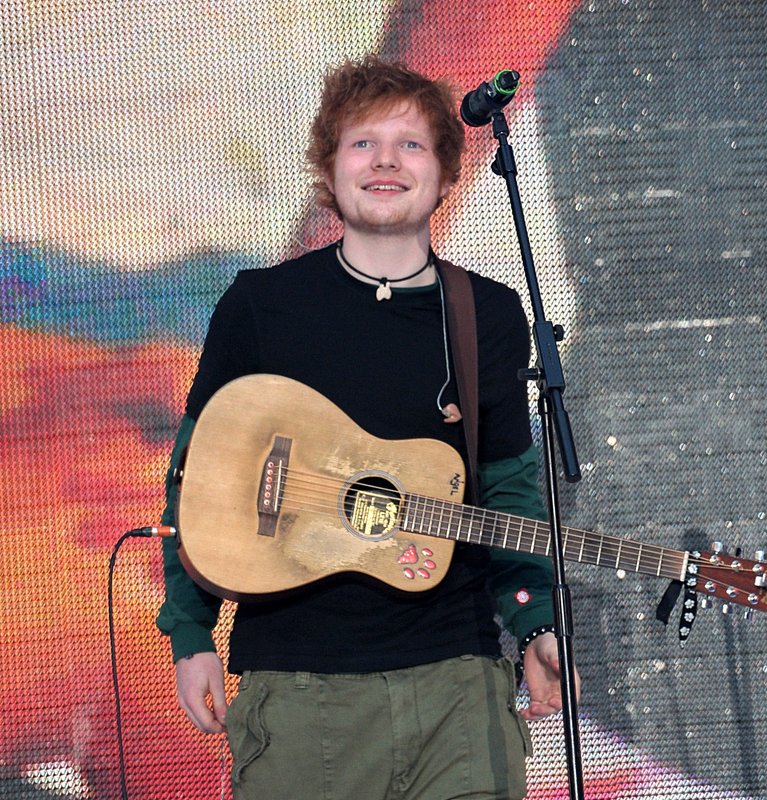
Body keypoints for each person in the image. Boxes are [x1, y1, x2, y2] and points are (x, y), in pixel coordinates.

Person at [157, 55, 578, 800]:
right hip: (298, 692)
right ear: (329, 169)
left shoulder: (489, 314)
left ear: (448, 173)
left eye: (411, 144)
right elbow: (197, 474)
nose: (386, 160)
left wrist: (538, 621)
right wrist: (191, 634)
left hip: (460, 690)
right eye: (362, 143)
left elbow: (508, 488)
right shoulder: (261, 306)